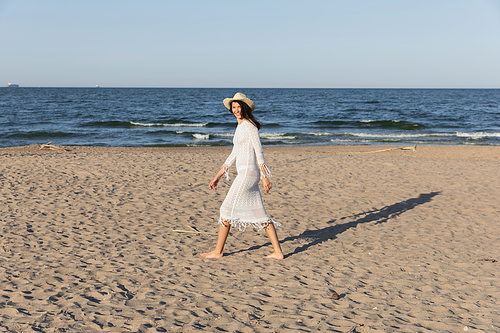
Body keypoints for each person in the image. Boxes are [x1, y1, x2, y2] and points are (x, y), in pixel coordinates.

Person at [200, 93, 284, 260]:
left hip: (247, 174)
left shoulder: (249, 126)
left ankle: (218, 251)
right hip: (247, 173)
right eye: (234, 108)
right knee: (260, 213)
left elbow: (259, 151)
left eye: (238, 107)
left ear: (244, 108)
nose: (236, 110)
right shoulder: (240, 127)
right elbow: (234, 154)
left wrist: (264, 176)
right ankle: (278, 252)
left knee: (225, 210)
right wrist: (218, 176)